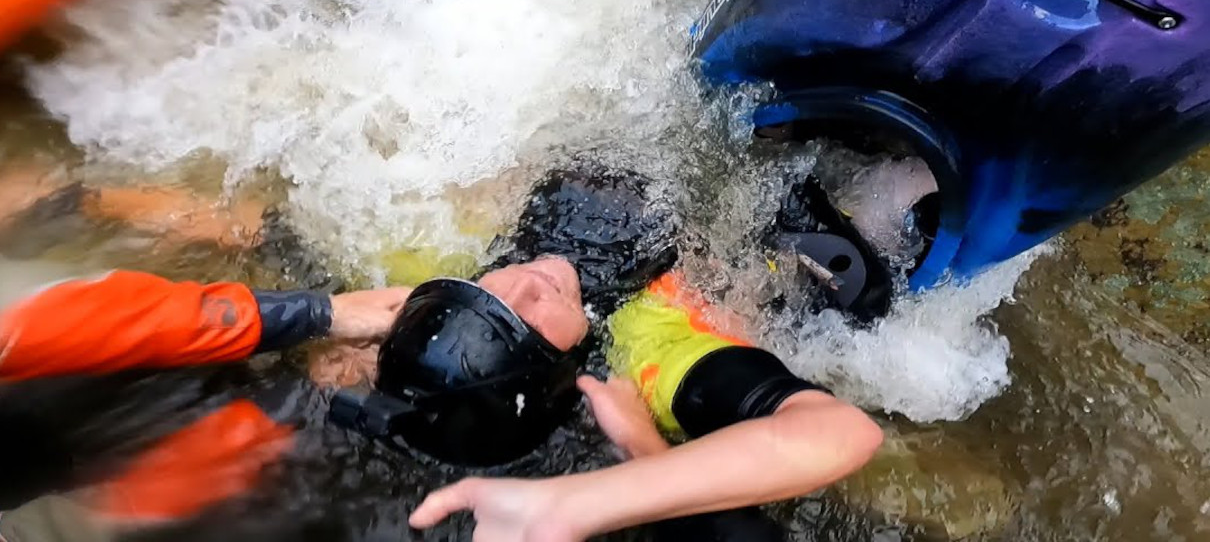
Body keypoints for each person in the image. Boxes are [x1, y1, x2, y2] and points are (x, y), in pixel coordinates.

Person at [0, 162, 884, 541]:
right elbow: (830, 437)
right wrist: (645, 461)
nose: (530, 282)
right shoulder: (649, 350)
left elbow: (257, 226)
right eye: (515, 297)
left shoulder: (407, 291)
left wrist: (82, 199)